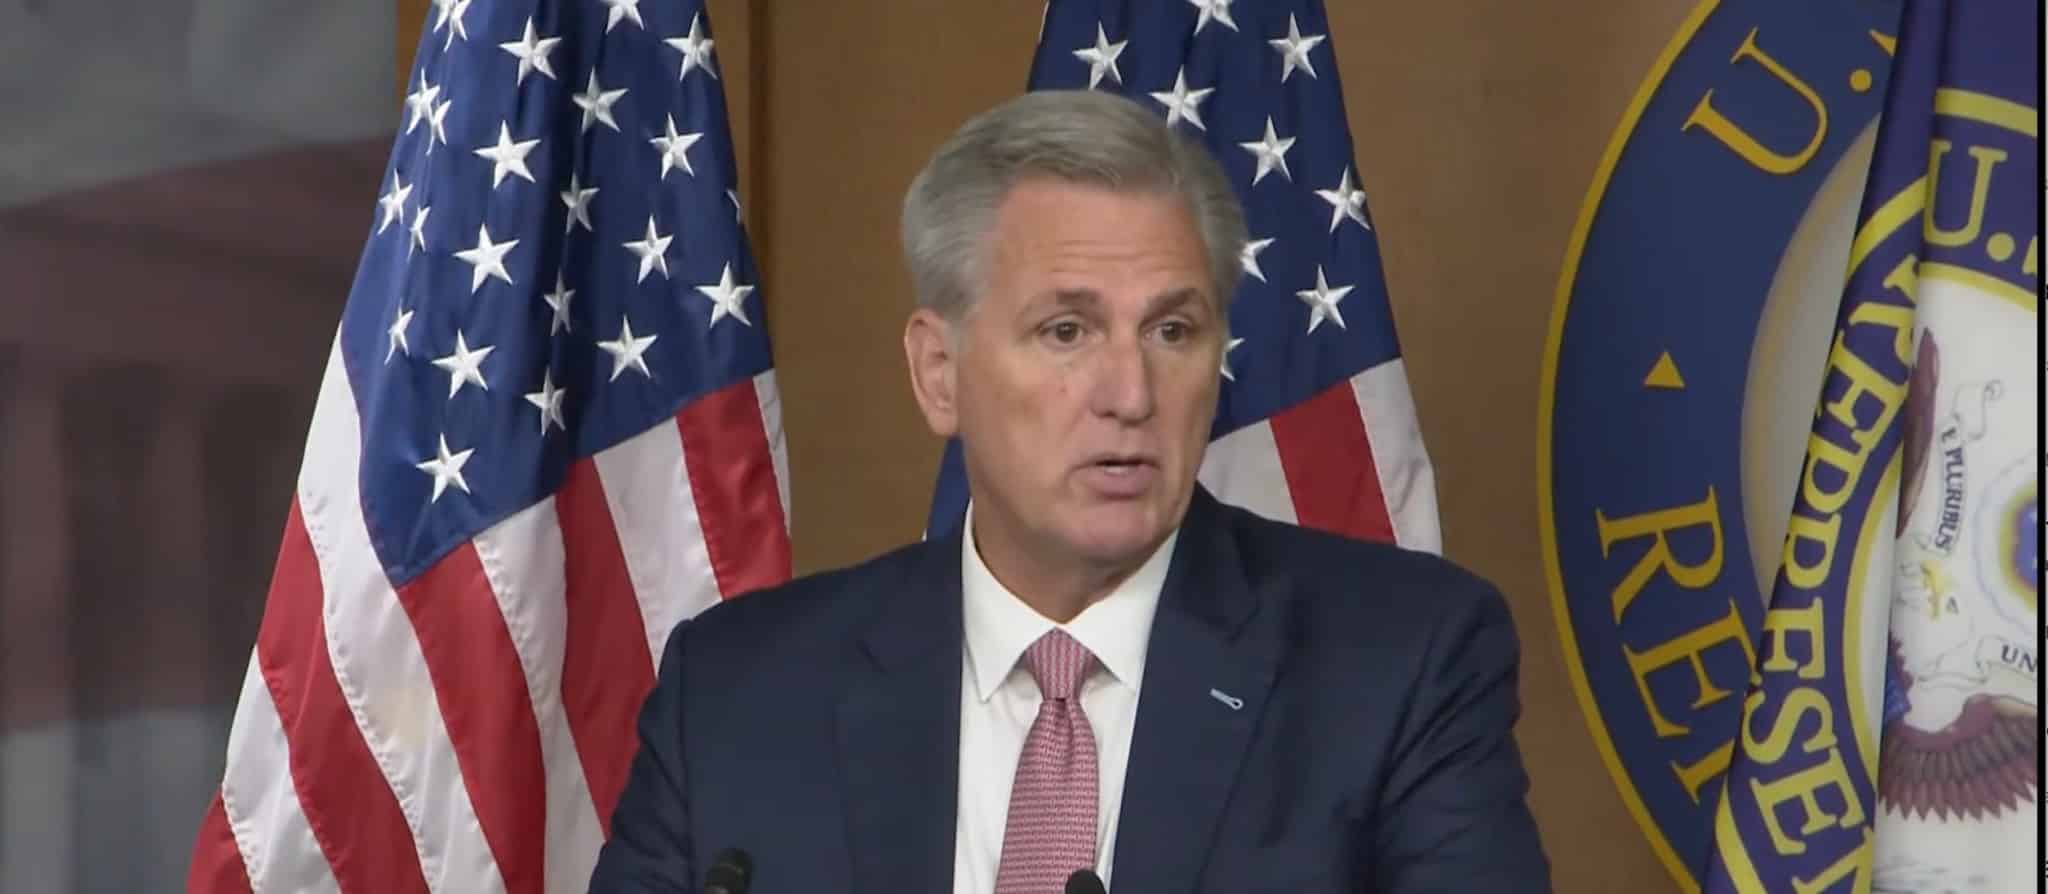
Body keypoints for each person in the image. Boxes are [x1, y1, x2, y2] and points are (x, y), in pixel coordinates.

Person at [589, 89, 1549, 893]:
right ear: (938, 373)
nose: (1131, 394)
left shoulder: (1401, 664)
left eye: (1173, 332)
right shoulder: (736, 695)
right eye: (1066, 332)